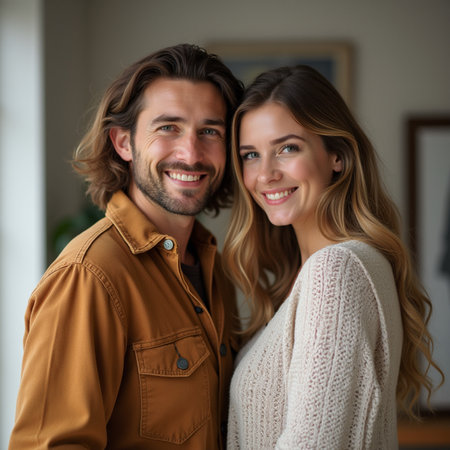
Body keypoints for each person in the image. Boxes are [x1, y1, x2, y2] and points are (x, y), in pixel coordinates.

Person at [9, 43, 244, 450]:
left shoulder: (211, 264)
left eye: (210, 131)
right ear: (122, 143)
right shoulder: (89, 275)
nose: (191, 154)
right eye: (168, 127)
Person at [223, 65, 443, 449]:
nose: (266, 174)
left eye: (287, 148)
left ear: (336, 156)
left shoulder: (336, 270)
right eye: (251, 155)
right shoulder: (326, 270)